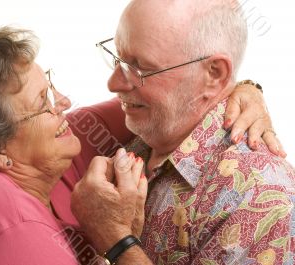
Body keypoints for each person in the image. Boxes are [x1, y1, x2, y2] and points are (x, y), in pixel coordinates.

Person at [0, 27, 280, 265]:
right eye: (43, 103)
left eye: (51, 86)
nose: (64, 102)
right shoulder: (14, 230)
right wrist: (116, 239)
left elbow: (177, 99)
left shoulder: (58, 144)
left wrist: (245, 89)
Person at [71, 0, 295, 264]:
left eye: (140, 67)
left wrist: (116, 240)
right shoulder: (150, 120)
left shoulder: (258, 197)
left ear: (214, 74)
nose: (113, 83)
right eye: (117, 58)